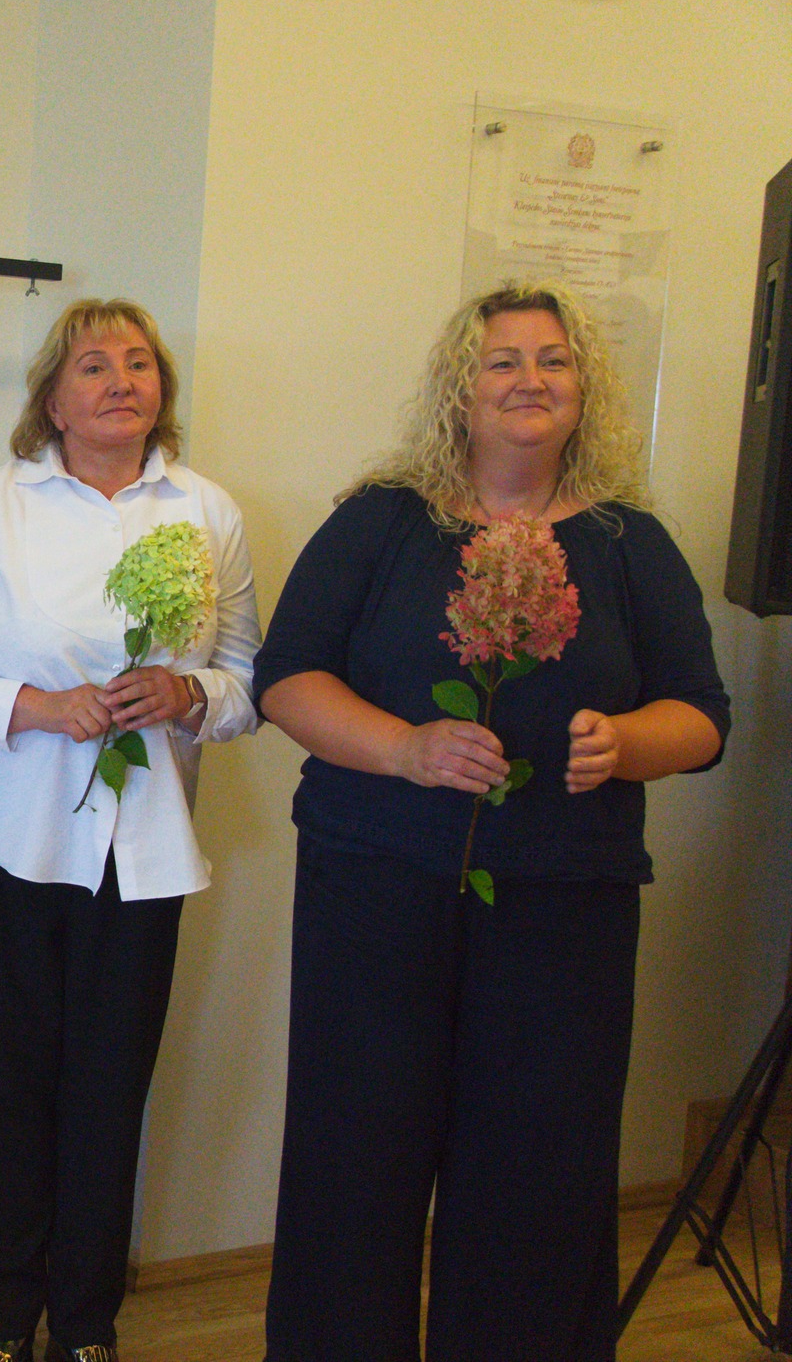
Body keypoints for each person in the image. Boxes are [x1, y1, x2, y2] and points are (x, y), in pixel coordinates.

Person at [255, 279, 729, 1362]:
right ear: (458, 389)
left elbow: (703, 715)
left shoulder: (629, 542)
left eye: (552, 360)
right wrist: (405, 749)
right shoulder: (381, 520)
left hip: (563, 908)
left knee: (537, 1173)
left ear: (583, 389)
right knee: (352, 1160)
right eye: (501, 360)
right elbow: (285, 676)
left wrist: (627, 741)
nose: (528, 379)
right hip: (374, 889)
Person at [0, 298, 260, 1362]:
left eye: (138, 362)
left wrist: (188, 694)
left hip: (140, 855)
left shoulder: (207, 510)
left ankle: (87, 1325)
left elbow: (249, 681)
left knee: (107, 1095)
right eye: (92, 365)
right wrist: (37, 707)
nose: (119, 380)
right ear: (52, 398)